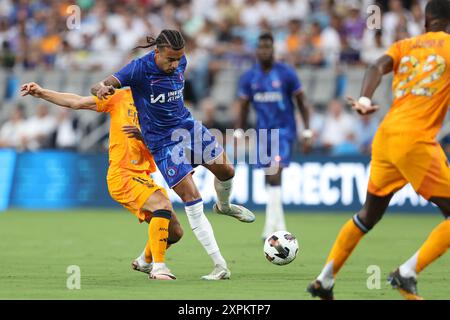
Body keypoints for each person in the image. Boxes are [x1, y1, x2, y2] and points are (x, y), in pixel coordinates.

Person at [307, 0, 450, 300]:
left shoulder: (405, 46)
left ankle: (324, 280)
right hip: (415, 140)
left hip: (385, 137)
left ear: (426, 23)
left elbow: (376, 65)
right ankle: (406, 273)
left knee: (368, 216)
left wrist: (363, 99)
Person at [90, 29, 255, 280]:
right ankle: (220, 265)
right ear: (157, 52)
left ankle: (223, 206)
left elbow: (177, 72)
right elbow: (101, 84)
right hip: (162, 143)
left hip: (188, 127)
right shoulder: (138, 69)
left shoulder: (181, 61)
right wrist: (101, 89)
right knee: (192, 197)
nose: (175, 64)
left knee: (227, 170)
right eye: (170, 59)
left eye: (179, 59)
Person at [20, 82, 183, 280]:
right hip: (122, 174)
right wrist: (43, 92)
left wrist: (148, 138)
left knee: (175, 232)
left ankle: (144, 261)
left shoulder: (161, 110)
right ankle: (159, 268)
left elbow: (166, 147)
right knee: (162, 204)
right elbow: (77, 102)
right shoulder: (122, 97)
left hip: (143, 175)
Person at [234, 32, 311, 240]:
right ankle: (279, 223)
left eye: (268, 47)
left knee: (275, 173)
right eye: (261, 47)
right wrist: (240, 130)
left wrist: (307, 131)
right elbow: (243, 106)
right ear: (256, 50)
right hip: (262, 132)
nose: (264, 51)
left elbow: (302, 102)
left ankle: (270, 229)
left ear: (273, 50)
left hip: (284, 131)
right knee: (269, 177)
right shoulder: (249, 77)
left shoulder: (286, 74)